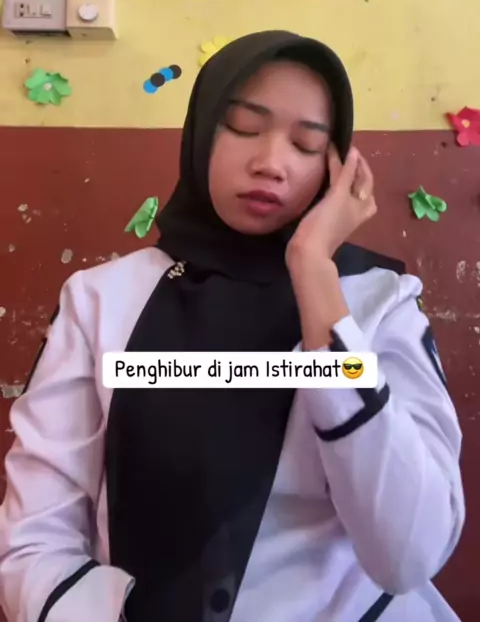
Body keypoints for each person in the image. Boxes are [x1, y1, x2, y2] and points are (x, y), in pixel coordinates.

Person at [0, 30, 465, 622]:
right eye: (244, 127)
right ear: (200, 133)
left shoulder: (379, 304)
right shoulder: (102, 300)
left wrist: (315, 275)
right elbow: (35, 542)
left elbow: (408, 553)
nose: (271, 163)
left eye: (305, 143)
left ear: (335, 164)